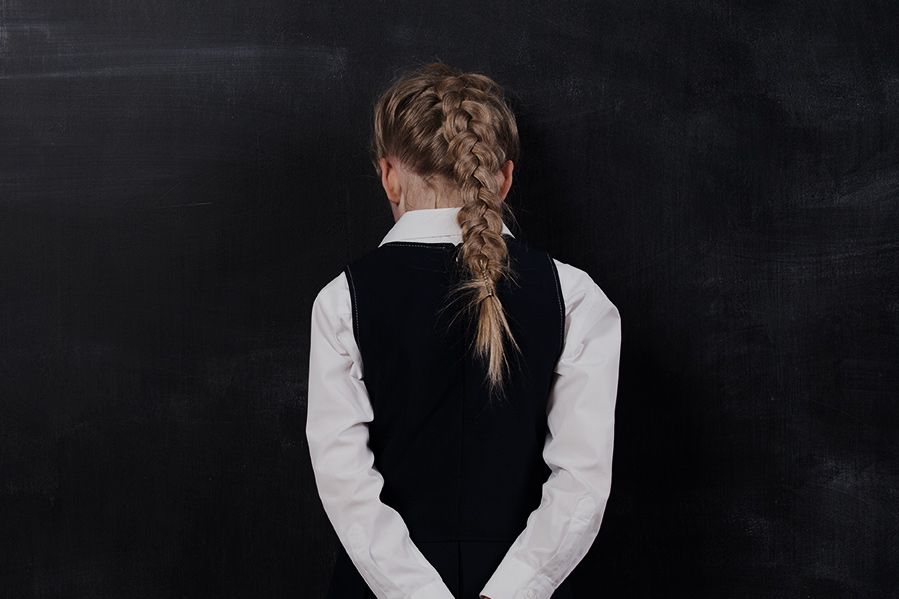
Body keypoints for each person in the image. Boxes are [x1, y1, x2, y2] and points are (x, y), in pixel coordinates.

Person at [306, 62, 622, 599]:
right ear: (503, 178)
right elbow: (581, 486)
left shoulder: (342, 299)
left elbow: (346, 484)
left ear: (388, 175)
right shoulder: (575, 297)